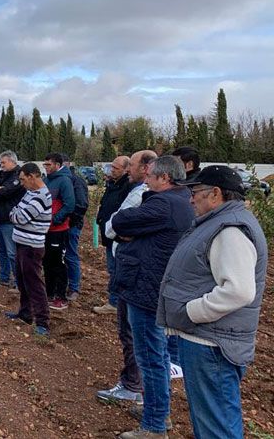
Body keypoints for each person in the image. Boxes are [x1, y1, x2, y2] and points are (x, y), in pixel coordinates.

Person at [159, 166, 268, 439]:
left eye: (195, 192)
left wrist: (191, 311)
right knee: (211, 420)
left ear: (216, 194)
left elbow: (240, 291)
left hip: (210, 345)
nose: (191, 199)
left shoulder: (230, 230)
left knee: (216, 427)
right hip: (209, 341)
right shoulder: (219, 223)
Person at [111, 155, 194, 439]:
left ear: (165, 178)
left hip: (146, 288)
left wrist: (131, 232)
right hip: (156, 284)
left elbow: (120, 222)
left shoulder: (163, 203)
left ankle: (155, 425)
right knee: (155, 354)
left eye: (150, 177)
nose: (146, 181)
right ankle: (158, 410)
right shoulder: (183, 200)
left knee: (150, 356)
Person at [97, 150, 156, 407]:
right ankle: (135, 385)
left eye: (130, 165)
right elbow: (112, 225)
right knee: (129, 330)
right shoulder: (136, 192)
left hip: (138, 272)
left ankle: (135, 387)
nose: (127, 169)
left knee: (136, 333)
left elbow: (115, 226)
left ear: (146, 168)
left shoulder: (147, 196)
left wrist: (119, 230)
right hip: (127, 264)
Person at [4, 163, 52, 337]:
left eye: (23, 179)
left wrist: (15, 215)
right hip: (22, 243)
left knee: (35, 284)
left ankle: (43, 322)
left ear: (33, 176)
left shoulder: (41, 196)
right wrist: (15, 214)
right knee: (23, 281)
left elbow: (20, 216)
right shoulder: (30, 193)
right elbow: (16, 212)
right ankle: (25, 313)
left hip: (32, 246)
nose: (21, 183)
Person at [93, 155, 131, 314]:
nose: (112, 170)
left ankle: (115, 302)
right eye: (112, 167)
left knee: (117, 269)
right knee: (112, 268)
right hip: (109, 233)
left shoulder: (127, 187)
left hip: (119, 235)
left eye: (116, 168)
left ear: (126, 169)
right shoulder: (112, 184)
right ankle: (116, 300)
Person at [41, 153, 74, 310]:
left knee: (58, 263)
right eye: (45, 165)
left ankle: (61, 296)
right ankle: (49, 293)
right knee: (46, 261)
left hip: (58, 230)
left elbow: (69, 205)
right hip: (45, 229)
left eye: (48, 165)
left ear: (57, 164)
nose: (46, 168)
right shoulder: (46, 180)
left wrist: (54, 220)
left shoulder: (64, 181)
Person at [0, 150, 24, 288]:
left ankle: (18, 282)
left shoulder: (18, 176)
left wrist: (0, 190)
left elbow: (7, 192)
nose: (1, 165)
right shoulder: (3, 175)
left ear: (12, 161)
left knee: (12, 252)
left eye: (3, 162)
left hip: (10, 219)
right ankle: (4, 278)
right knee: (1, 251)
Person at [63, 155, 89, 301]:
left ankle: (74, 288)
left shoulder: (76, 181)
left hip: (71, 226)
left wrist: (68, 220)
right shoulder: (59, 180)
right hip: (59, 226)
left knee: (70, 256)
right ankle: (62, 283)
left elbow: (81, 205)